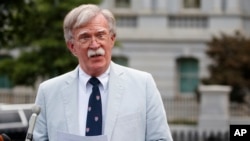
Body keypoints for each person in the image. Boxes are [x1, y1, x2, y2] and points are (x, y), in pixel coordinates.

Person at [33, 4, 173, 141]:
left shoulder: (143, 85)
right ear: (72, 47)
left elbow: (160, 138)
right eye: (85, 37)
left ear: (112, 39)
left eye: (100, 35)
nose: (94, 44)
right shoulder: (48, 92)